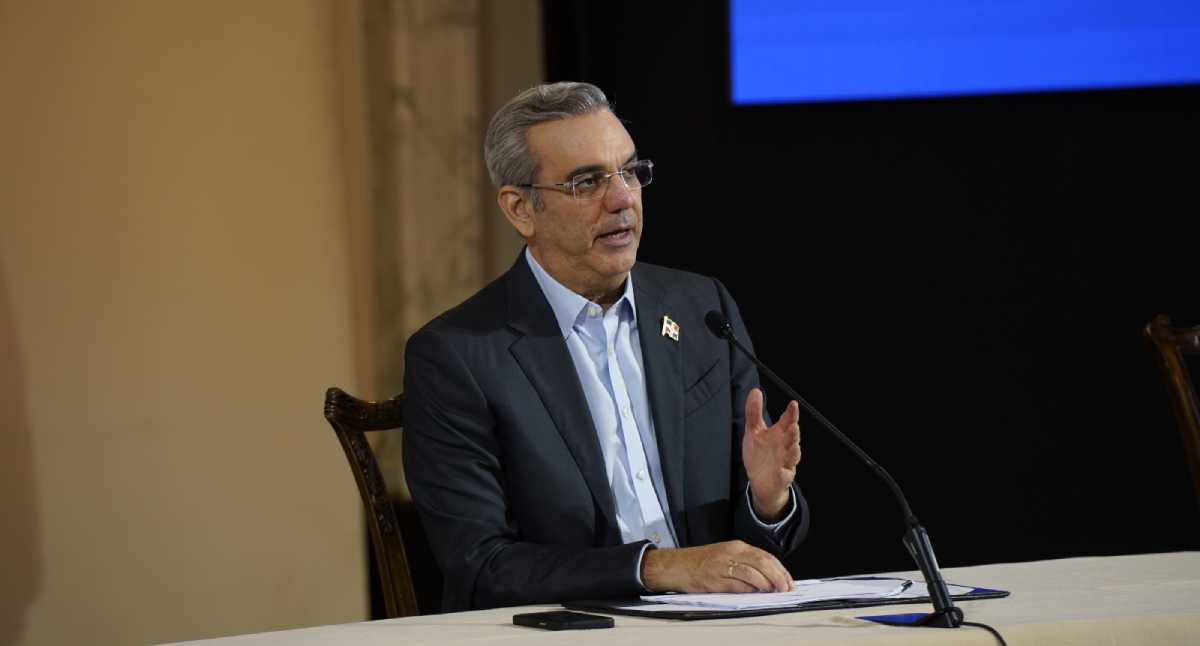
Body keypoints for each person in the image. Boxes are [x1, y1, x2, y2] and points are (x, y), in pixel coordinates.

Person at [402, 81, 808, 613]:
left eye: (631, 172)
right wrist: (659, 568)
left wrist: (767, 500)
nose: (622, 200)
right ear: (521, 208)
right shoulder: (459, 356)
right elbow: (483, 565)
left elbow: (759, 540)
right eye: (587, 182)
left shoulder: (700, 309)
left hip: (716, 624)